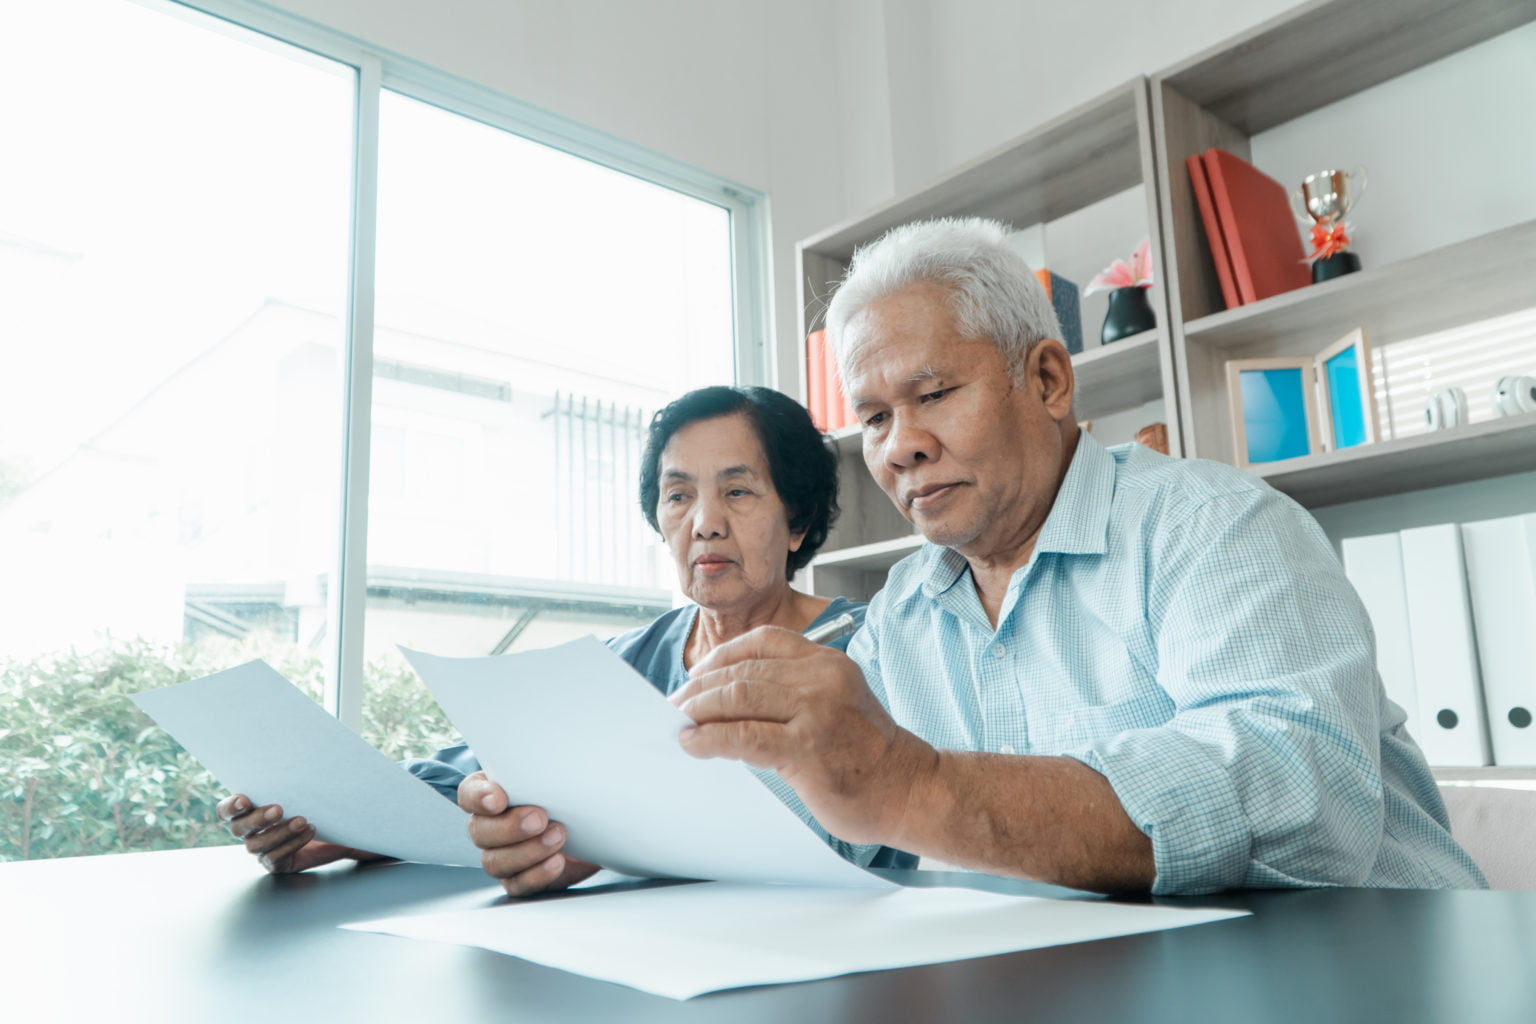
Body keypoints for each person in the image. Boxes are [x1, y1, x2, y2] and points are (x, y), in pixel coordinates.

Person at [650, 216, 1483, 895]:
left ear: (1048, 380)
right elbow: (795, 807)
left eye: (933, 394)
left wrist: (917, 788)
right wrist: (577, 834)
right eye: (872, 419)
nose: (900, 448)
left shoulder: (1217, 526)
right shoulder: (903, 610)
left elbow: (1302, 798)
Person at [216, 385, 885, 887]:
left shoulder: (868, 648)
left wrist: (601, 839)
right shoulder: (624, 662)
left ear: (797, 521)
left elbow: (852, 830)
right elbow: (461, 778)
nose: (703, 523)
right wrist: (327, 829)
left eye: (737, 493)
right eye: (677, 495)